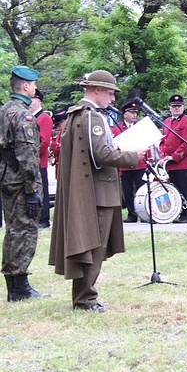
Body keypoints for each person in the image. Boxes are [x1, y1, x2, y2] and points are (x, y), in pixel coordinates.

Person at [49, 70, 147, 311]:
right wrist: (133, 156)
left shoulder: (78, 114)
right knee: (94, 247)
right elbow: (101, 155)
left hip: (91, 191)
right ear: (97, 90)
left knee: (91, 247)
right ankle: (85, 299)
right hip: (98, 193)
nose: (113, 99)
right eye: (111, 93)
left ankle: (84, 297)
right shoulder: (92, 117)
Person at [0, 66, 48, 301]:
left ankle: (15, 284)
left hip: (7, 178)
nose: (36, 88)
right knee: (24, 231)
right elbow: (27, 154)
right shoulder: (23, 114)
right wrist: (32, 190)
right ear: (26, 86)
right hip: (21, 182)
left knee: (12, 231)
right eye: (34, 85)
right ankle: (19, 287)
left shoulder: (4, 110)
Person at [158, 94, 187, 224]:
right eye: (174, 106)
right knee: (173, 190)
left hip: (182, 163)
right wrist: (163, 156)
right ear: (170, 108)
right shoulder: (167, 122)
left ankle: (186, 215)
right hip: (169, 164)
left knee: (185, 190)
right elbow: (162, 142)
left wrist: (173, 157)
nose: (176, 108)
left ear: (183, 107)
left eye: (179, 106)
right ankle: (176, 213)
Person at [119, 101, 147, 222]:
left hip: (140, 164)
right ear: (125, 114)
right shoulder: (118, 127)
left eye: (136, 113)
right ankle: (132, 214)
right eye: (131, 112)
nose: (134, 115)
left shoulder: (140, 128)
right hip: (125, 164)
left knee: (142, 190)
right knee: (127, 190)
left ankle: (144, 213)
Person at [30, 89, 53, 229]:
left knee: (42, 191)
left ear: (38, 101)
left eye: (31, 100)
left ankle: (44, 219)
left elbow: (44, 142)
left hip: (38, 161)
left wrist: (29, 155)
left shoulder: (43, 118)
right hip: (32, 161)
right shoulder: (32, 117)